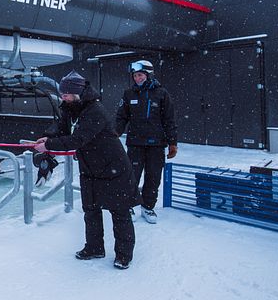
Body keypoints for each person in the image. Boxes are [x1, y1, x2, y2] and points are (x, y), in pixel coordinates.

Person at [34, 71, 139, 269]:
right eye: (62, 93)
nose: (63, 97)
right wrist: (48, 139)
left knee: (119, 212)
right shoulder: (69, 108)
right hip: (90, 168)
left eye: (66, 94)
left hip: (113, 168)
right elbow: (61, 129)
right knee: (90, 210)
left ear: (77, 93)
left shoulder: (95, 111)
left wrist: (49, 146)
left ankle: (124, 255)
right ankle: (94, 247)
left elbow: (78, 139)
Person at [115, 60, 178, 224]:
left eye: (140, 75)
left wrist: (172, 142)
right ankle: (129, 206)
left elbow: (169, 120)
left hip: (156, 145)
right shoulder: (129, 94)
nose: (137, 78)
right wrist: (115, 133)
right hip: (135, 144)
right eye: (135, 76)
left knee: (153, 177)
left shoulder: (162, 94)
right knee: (131, 176)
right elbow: (121, 117)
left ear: (148, 75)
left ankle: (148, 207)